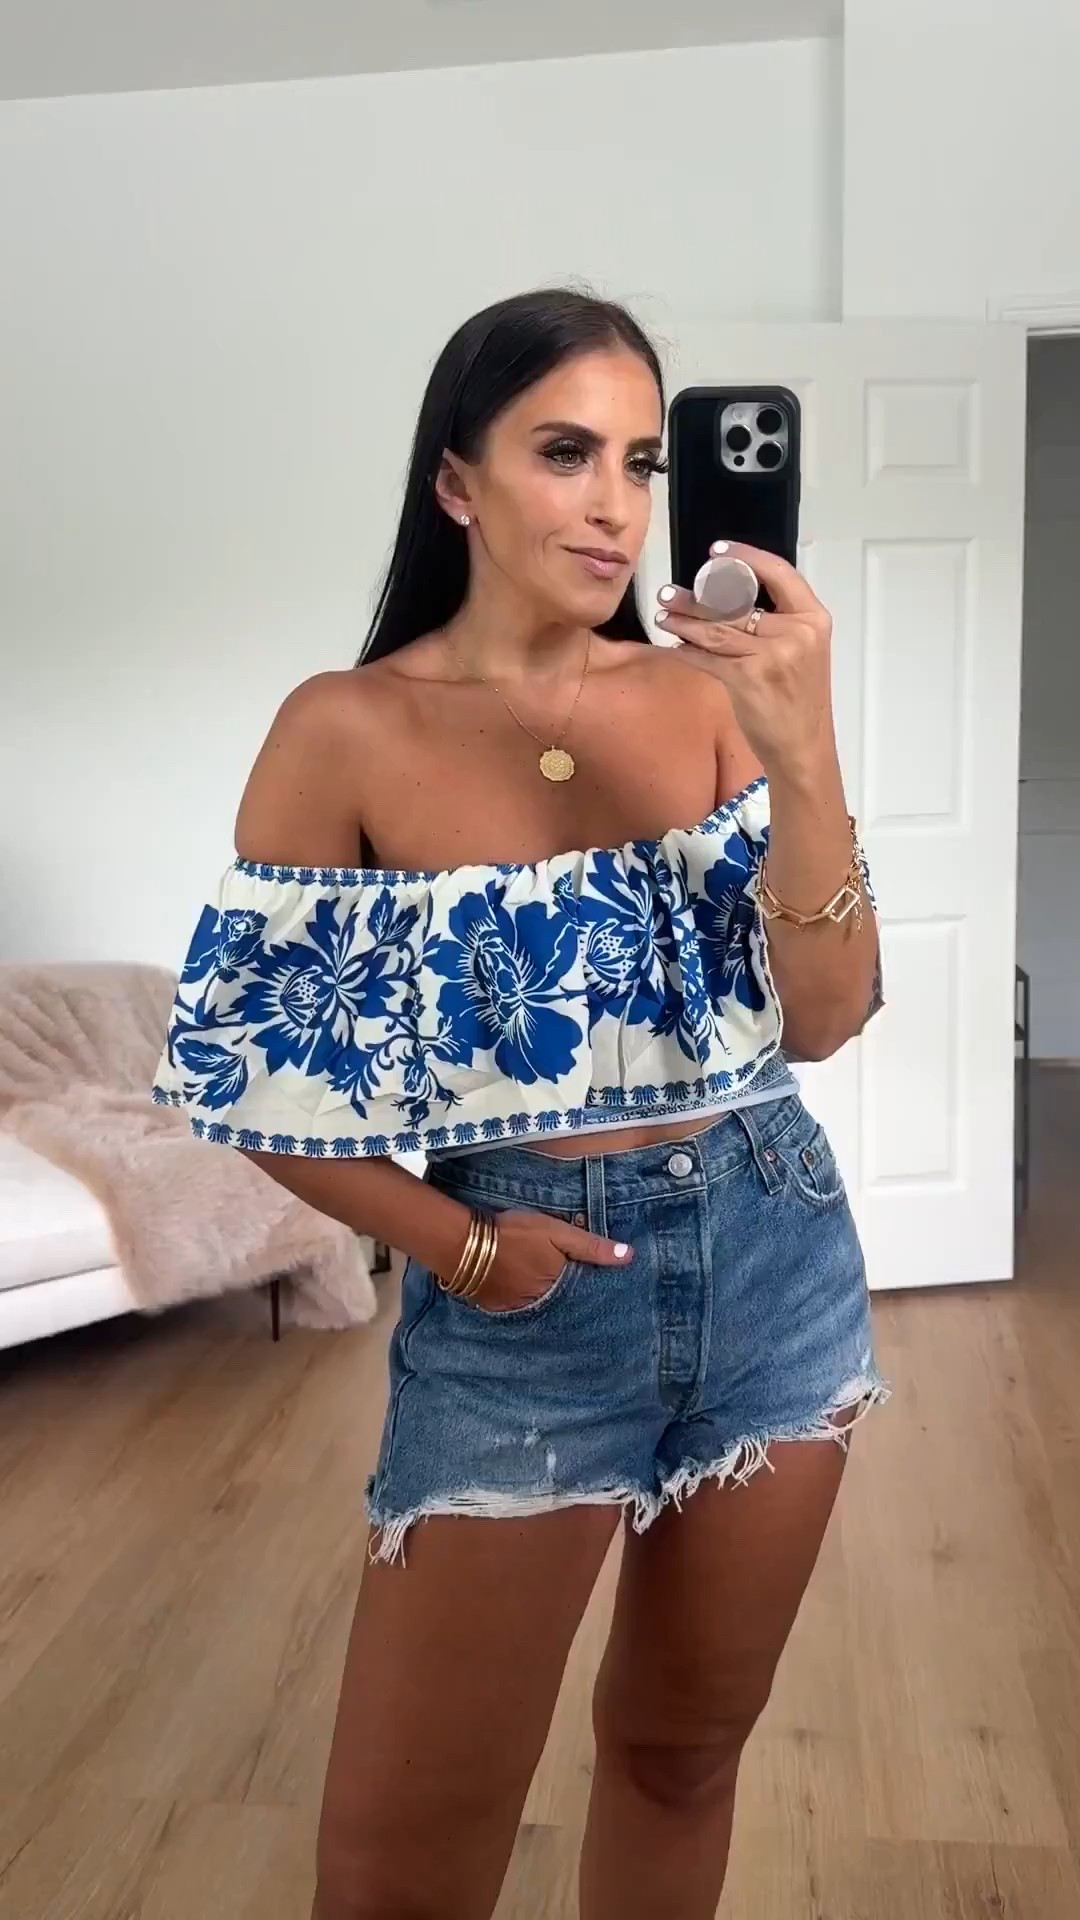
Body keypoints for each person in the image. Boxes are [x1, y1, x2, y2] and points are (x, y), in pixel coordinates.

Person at [154, 288, 887, 1920]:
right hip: (524, 1298)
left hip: (775, 1253)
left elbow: (828, 1019)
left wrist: (804, 749)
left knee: (683, 1755)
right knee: (403, 1862)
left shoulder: (709, 701)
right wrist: (467, 1252)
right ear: (457, 482)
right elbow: (252, 1084)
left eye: (641, 460)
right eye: (566, 453)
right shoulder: (345, 730)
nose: (617, 504)